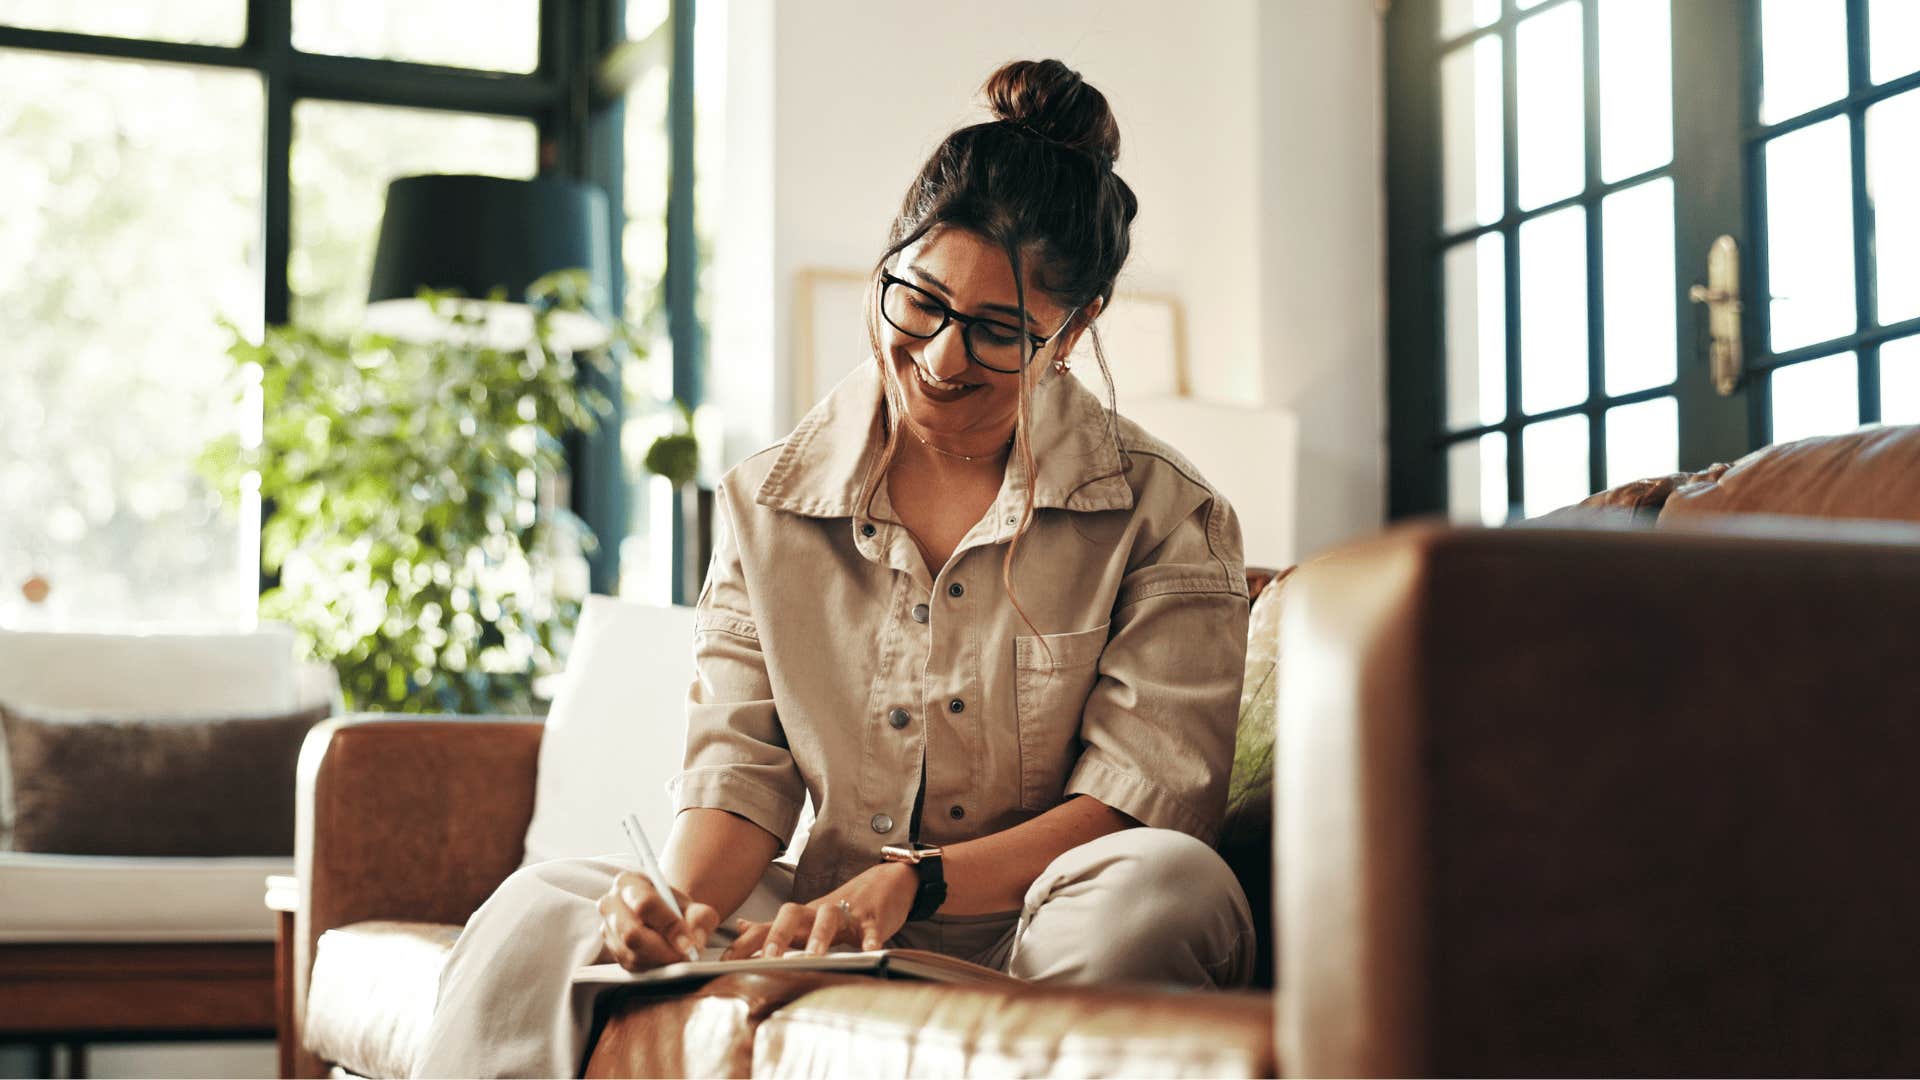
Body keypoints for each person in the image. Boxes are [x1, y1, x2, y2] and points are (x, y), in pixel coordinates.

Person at [410, 57, 1254, 1079]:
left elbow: (1134, 801)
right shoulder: (764, 505)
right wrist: (677, 909)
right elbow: (739, 779)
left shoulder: (1172, 515)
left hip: (1038, 933)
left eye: (998, 333)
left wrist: (919, 885)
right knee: (539, 909)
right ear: (887, 264)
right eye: (920, 302)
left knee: (1168, 882)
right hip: (820, 921)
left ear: (1073, 333)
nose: (942, 359)